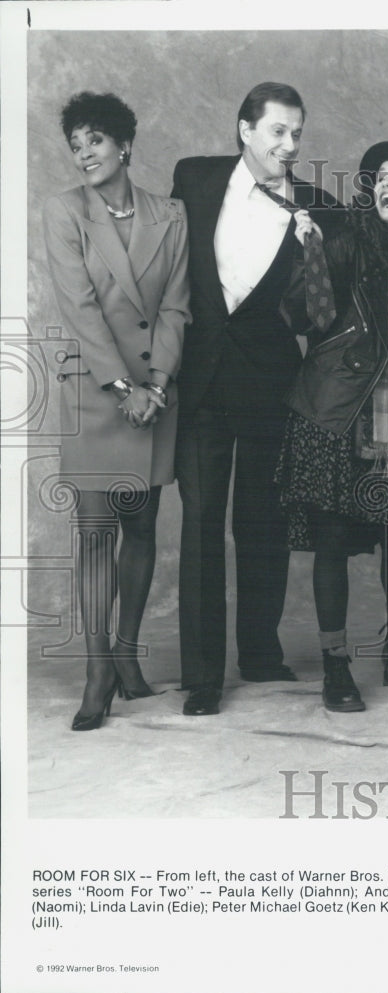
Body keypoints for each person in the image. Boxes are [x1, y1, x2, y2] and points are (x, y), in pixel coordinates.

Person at [170, 83, 344, 717]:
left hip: (274, 383)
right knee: (201, 524)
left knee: (263, 524)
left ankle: (261, 653)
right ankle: (202, 675)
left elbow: (322, 310)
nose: (290, 145)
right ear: (244, 130)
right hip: (203, 380)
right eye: (278, 132)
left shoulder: (318, 208)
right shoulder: (193, 179)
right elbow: (163, 267)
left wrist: (314, 252)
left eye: (298, 133)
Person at [276, 141, 388, 711]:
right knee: (332, 543)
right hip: (339, 415)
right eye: (379, 178)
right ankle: (336, 668)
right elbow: (306, 317)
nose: (387, 185)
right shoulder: (346, 244)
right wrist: (311, 256)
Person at [43, 91, 190, 730]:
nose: (84, 155)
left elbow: (178, 306)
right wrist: (123, 390)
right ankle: (98, 668)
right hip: (96, 395)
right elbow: (78, 309)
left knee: (141, 530)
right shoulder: (64, 211)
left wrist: (156, 384)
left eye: (94, 141)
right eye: (75, 146)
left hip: (155, 399)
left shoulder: (171, 214)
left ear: (124, 144)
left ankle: (129, 658)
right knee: (96, 535)